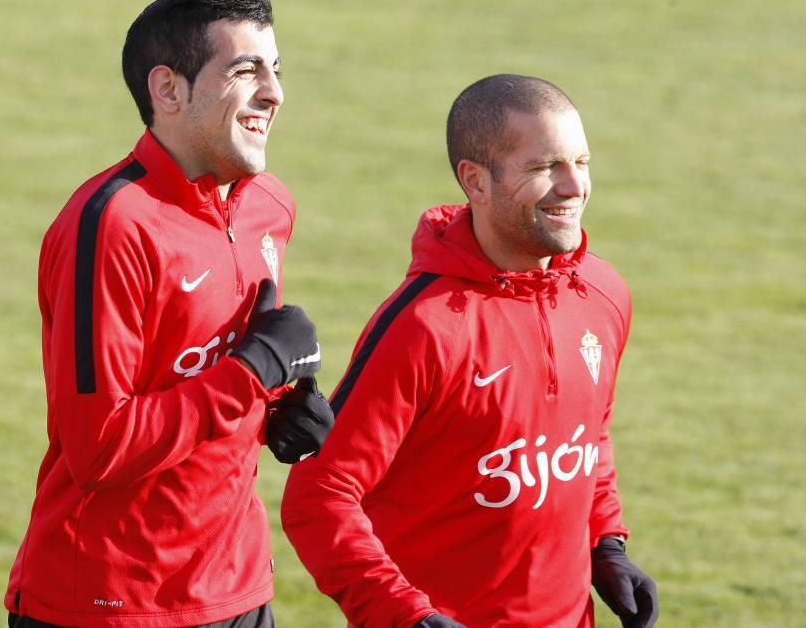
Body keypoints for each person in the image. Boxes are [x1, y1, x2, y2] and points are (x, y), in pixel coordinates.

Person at [5, 0, 332, 628]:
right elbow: (100, 448)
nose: (274, 92)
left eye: (276, 70)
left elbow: (204, 368)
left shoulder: (269, 206)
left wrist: (283, 402)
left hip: (237, 586)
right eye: (246, 70)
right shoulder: (112, 225)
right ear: (168, 89)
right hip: (108, 603)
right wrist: (253, 374)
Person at [281, 74, 659, 628]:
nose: (573, 186)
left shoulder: (602, 294)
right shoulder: (425, 328)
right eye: (543, 167)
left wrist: (607, 544)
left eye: (582, 162)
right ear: (475, 181)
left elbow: (586, 436)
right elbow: (321, 496)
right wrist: (405, 617)